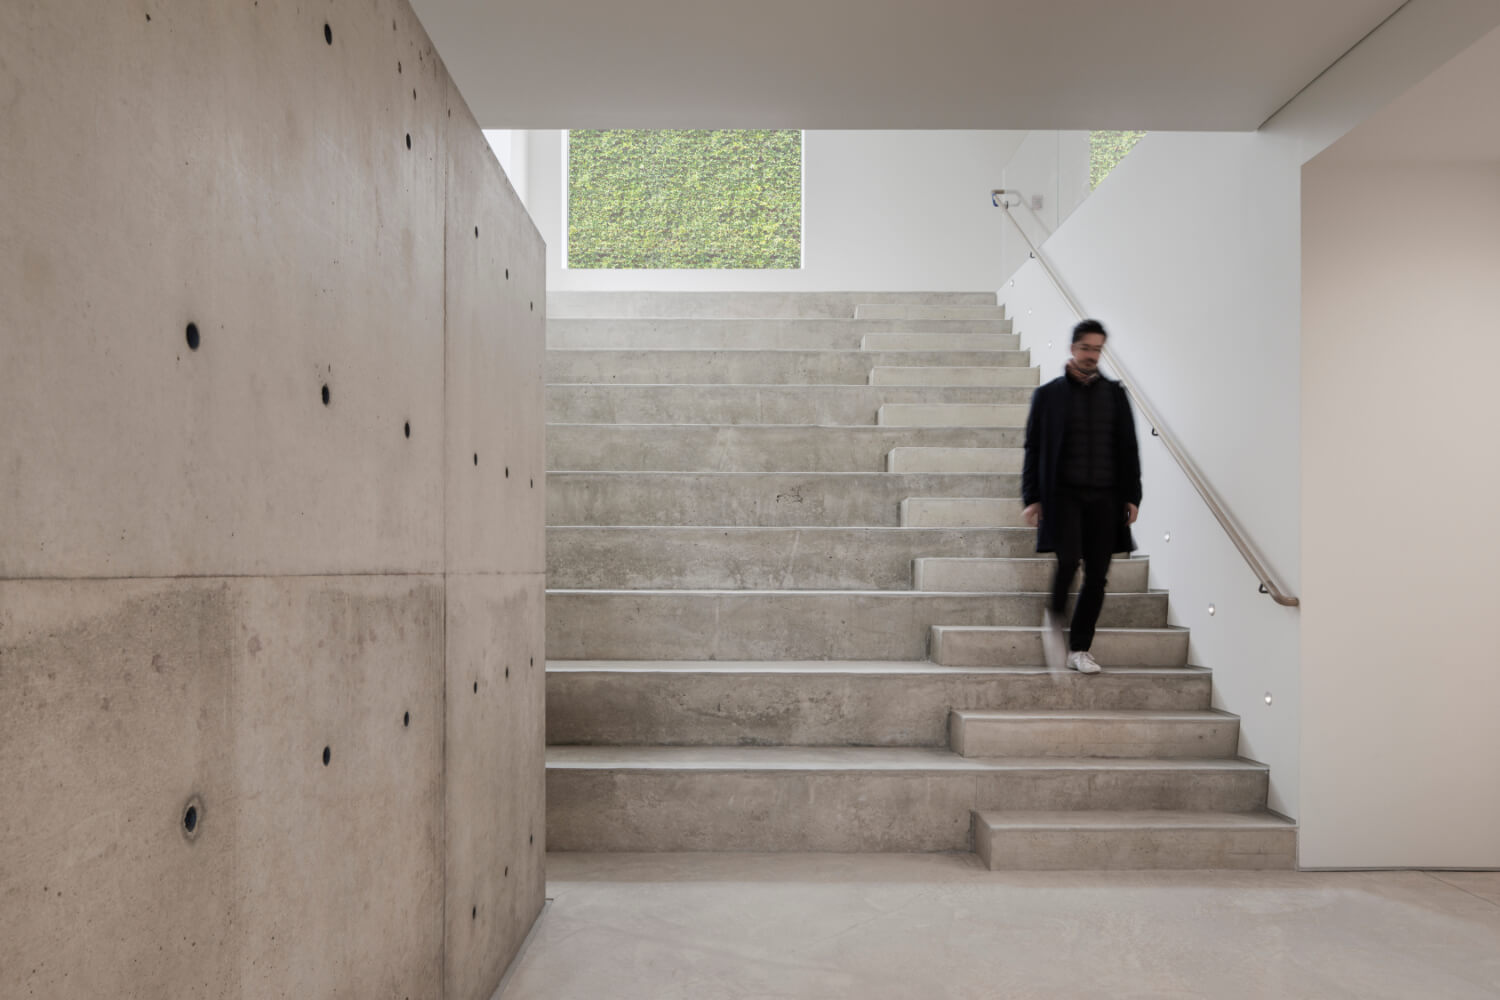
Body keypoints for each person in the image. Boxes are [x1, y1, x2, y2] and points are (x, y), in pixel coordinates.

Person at [1020, 319, 1142, 674]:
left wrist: (1133, 496)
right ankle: (1055, 616)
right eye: (1086, 348)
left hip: (1106, 496)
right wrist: (1031, 497)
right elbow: (1033, 449)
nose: (1091, 355)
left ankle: (1079, 649)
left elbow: (1129, 449)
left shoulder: (1115, 395)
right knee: (1069, 559)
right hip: (1064, 495)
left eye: (1097, 349)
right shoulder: (1048, 396)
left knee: (1098, 573)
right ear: (1073, 348)